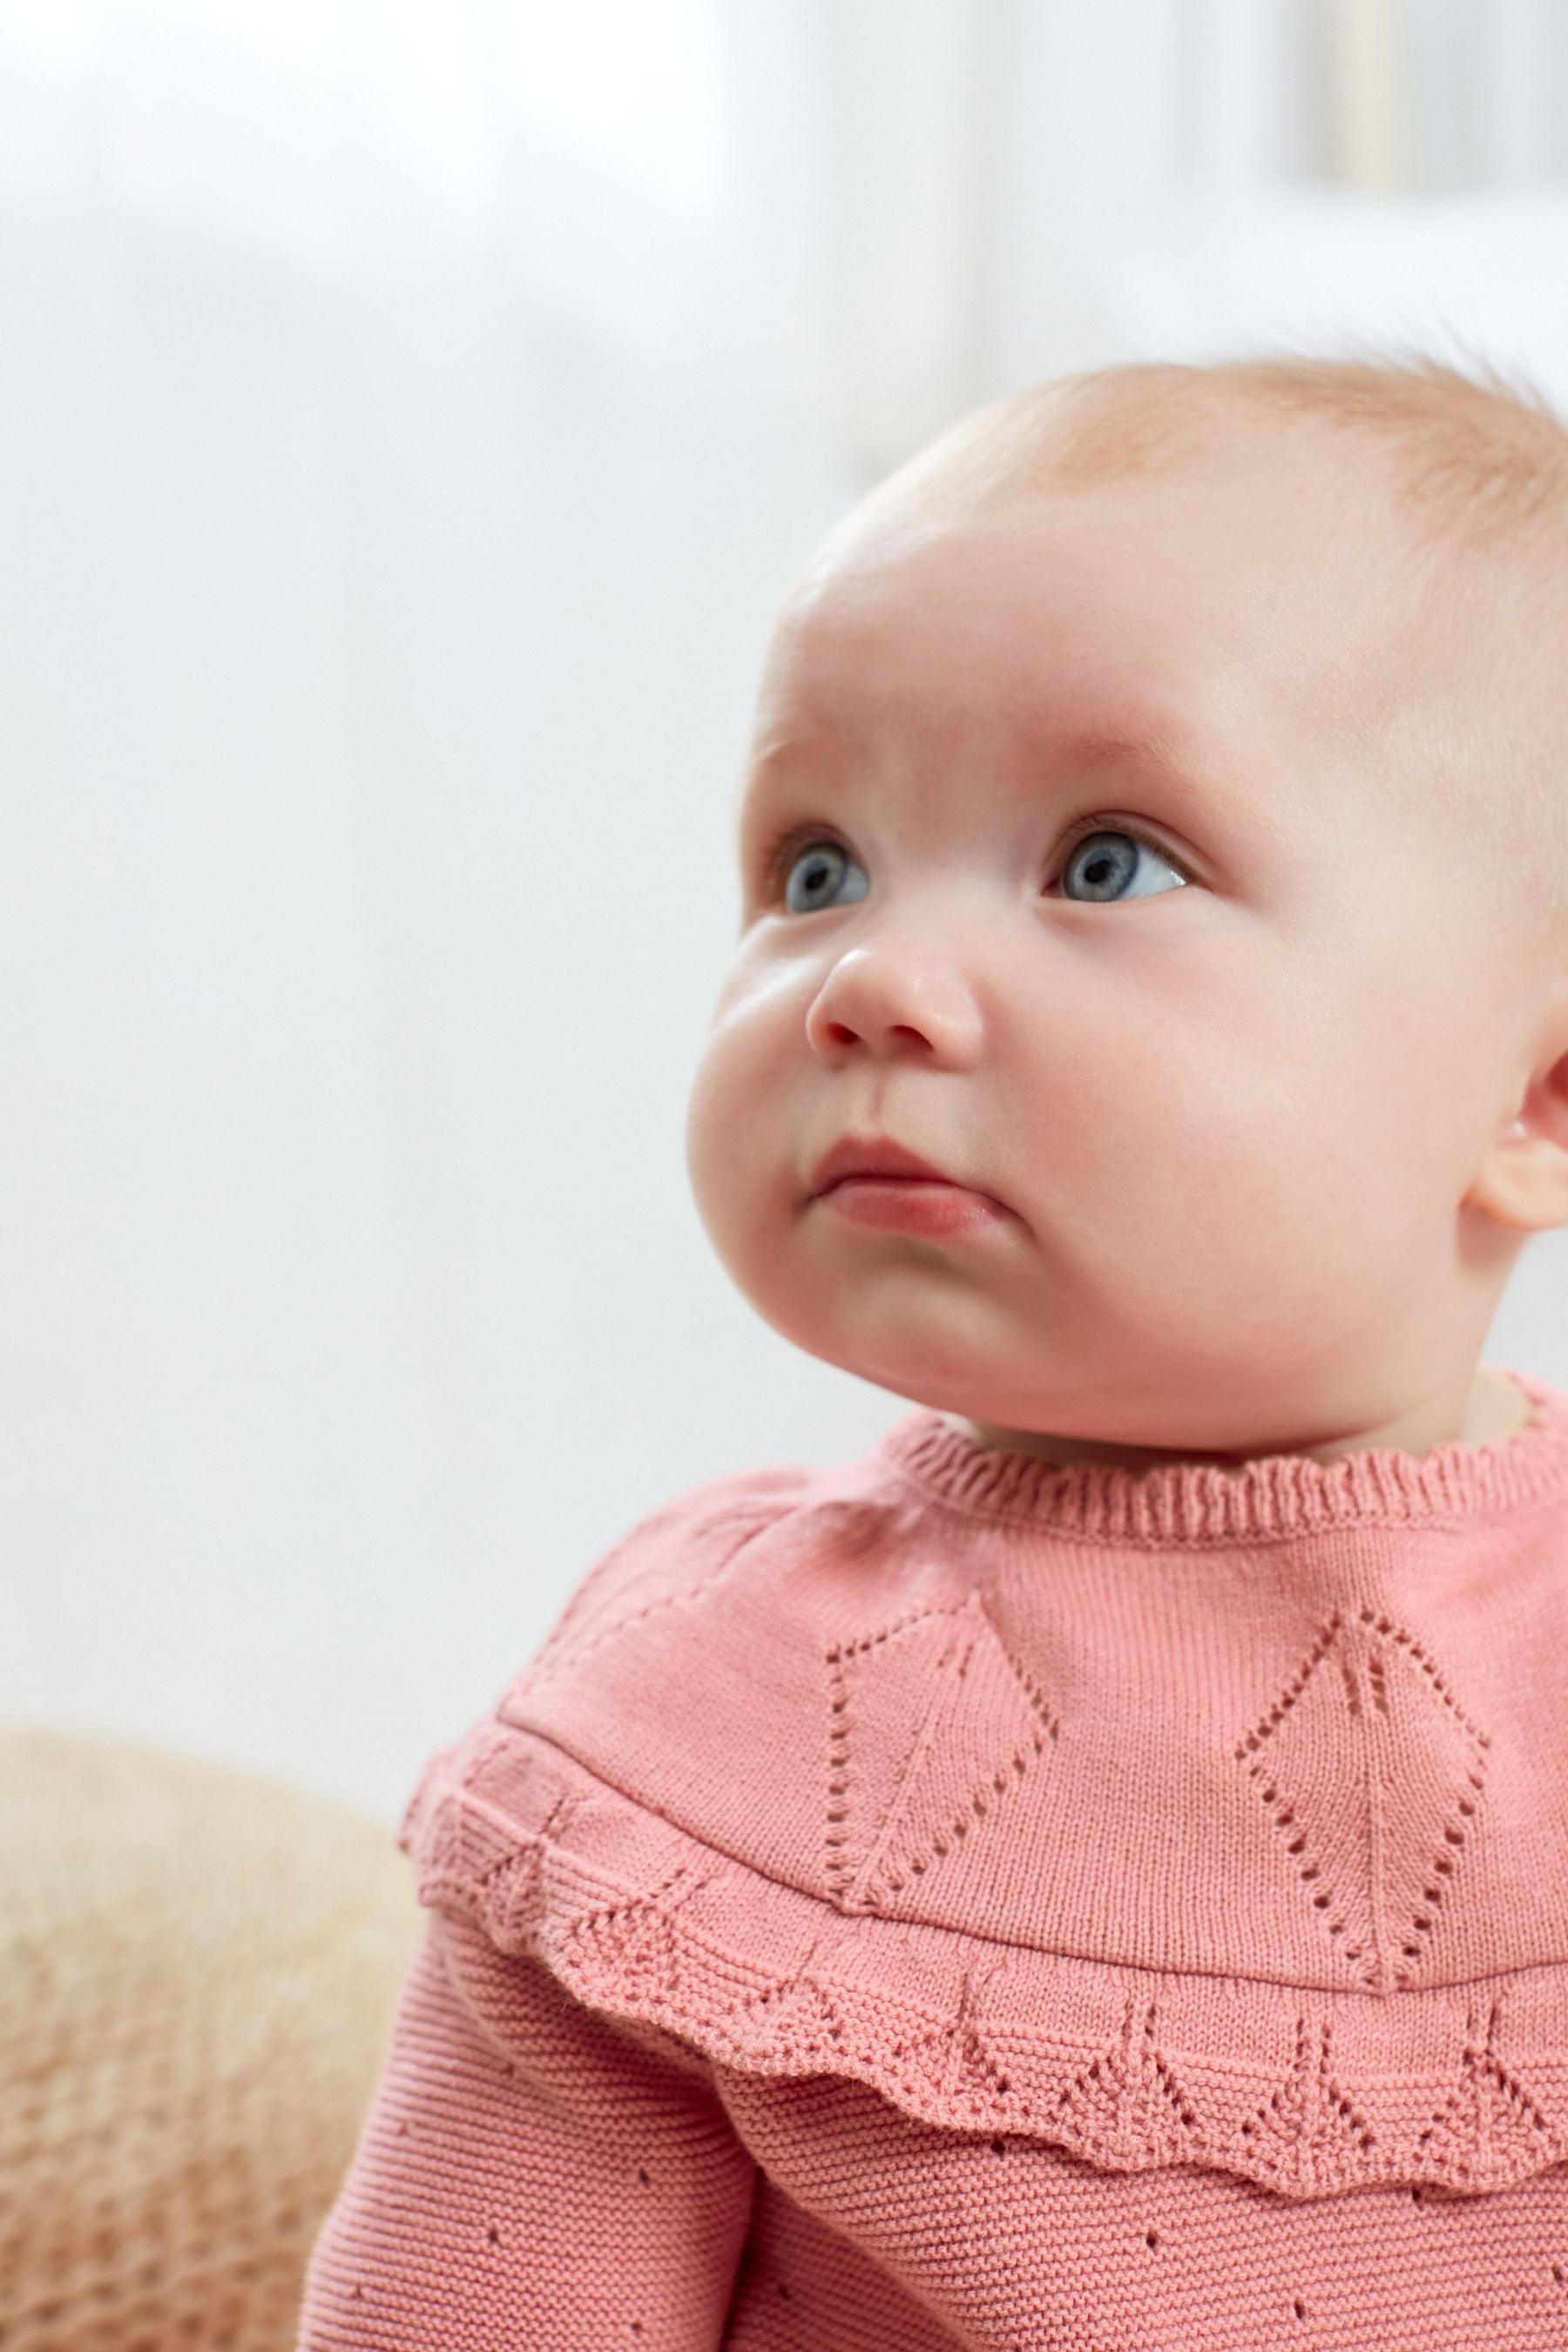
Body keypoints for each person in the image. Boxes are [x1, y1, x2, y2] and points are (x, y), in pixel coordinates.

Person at [294, 355, 1568, 2349]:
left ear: (1542, 1102)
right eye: (815, 867)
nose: (871, 979)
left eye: (1106, 860)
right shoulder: (691, 1709)